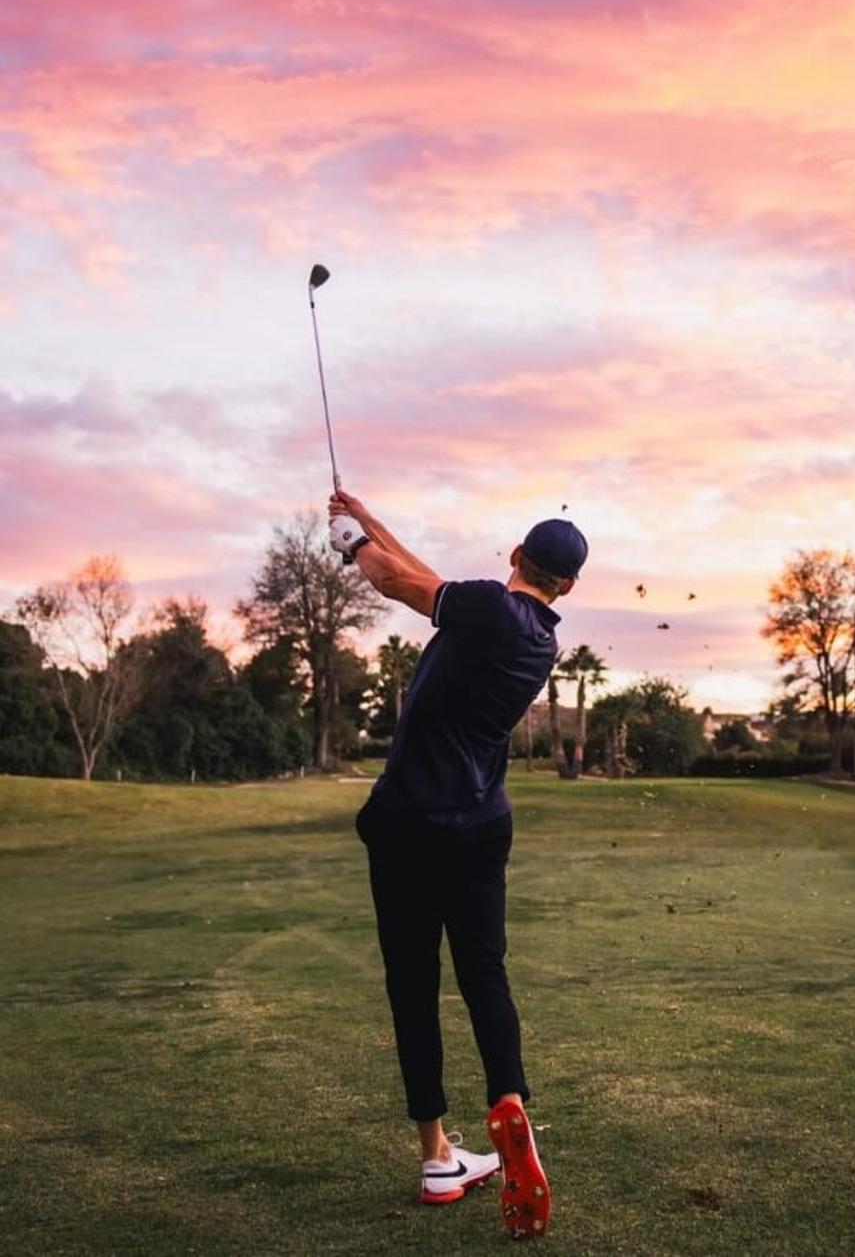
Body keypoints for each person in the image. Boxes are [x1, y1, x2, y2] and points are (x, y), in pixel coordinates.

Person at [327, 488, 587, 1241]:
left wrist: (349, 543)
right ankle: (507, 1099)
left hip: (407, 824)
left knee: (413, 983)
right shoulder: (532, 634)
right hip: (478, 829)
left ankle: (438, 1153)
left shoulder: (483, 609)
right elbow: (421, 576)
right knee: (484, 975)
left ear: (514, 554)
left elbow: (394, 582)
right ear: (566, 585)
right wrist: (368, 519)